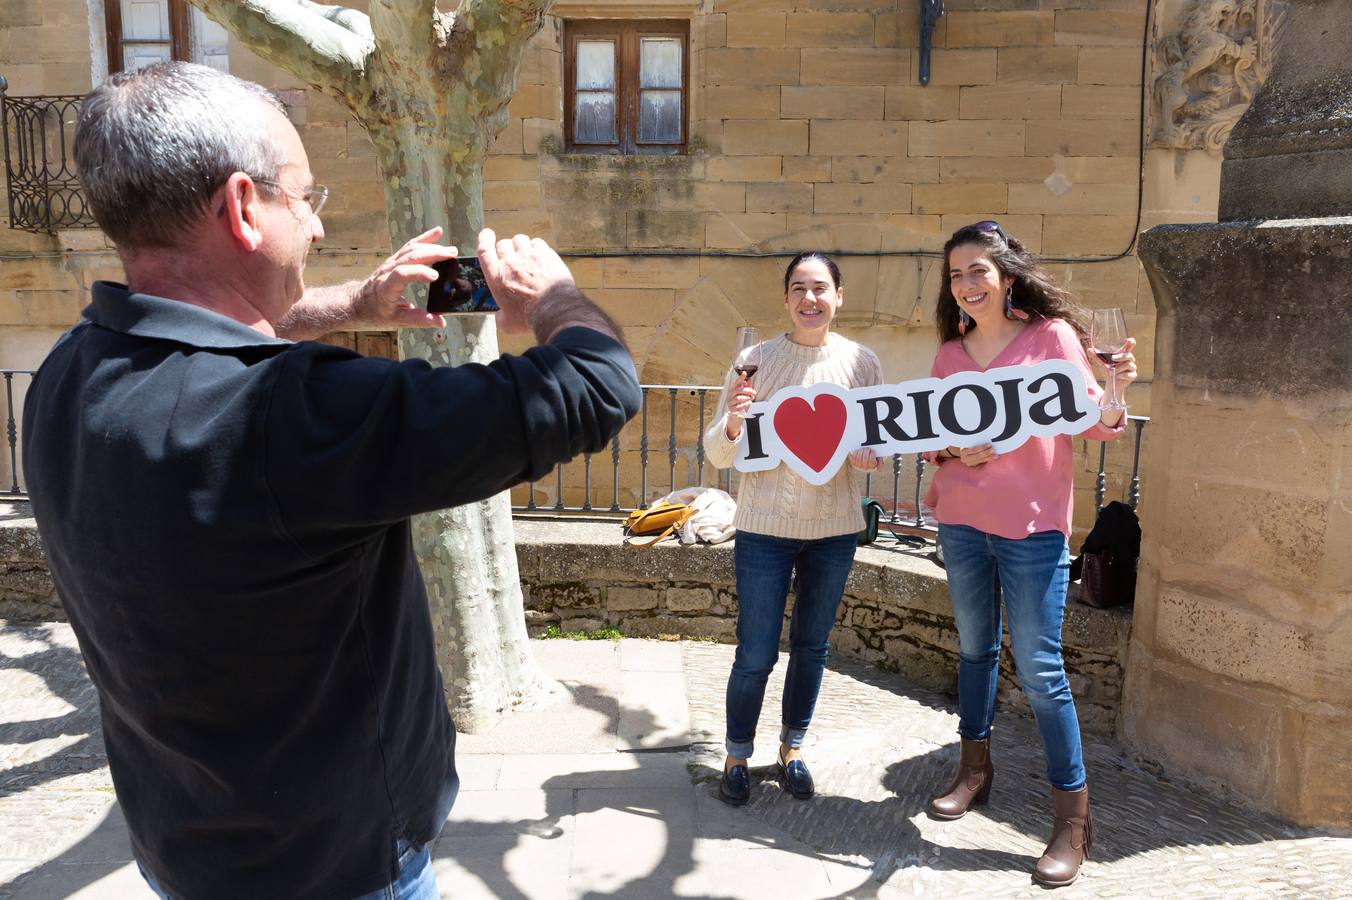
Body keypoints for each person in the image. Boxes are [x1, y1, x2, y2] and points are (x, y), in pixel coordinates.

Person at [22, 62, 640, 900]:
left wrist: (356, 302)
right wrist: (555, 298)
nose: (315, 228)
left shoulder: (69, 371)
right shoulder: (294, 413)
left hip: (185, 851)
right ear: (244, 207)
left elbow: (204, 329)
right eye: (304, 197)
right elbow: (597, 389)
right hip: (340, 868)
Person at [922, 221, 1137, 888]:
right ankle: (973, 772)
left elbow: (1090, 423)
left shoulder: (1052, 340)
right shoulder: (950, 355)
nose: (967, 284)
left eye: (978, 271)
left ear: (1007, 275)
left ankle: (1072, 820)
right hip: (961, 521)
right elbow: (931, 438)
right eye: (957, 274)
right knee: (974, 650)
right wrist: (957, 451)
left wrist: (1117, 392)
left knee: (1041, 670)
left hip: (1033, 529)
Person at [703, 252, 884, 806]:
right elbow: (716, 452)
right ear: (786, 299)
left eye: (821, 287)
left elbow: (871, 442)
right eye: (799, 288)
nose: (811, 298)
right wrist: (735, 419)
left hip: (833, 530)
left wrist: (867, 457)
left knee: (812, 647)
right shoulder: (753, 360)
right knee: (755, 651)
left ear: (839, 296)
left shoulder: (862, 363)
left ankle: (793, 749)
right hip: (764, 529)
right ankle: (736, 756)